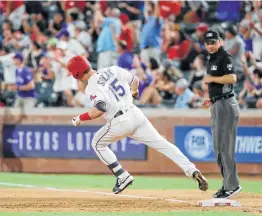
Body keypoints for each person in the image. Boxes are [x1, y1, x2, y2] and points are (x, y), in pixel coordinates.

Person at [66, 55, 208, 194]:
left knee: (97, 143)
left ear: (77, 74)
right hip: (135, 113)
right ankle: (192, 170)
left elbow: (98, 110)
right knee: (163, 144)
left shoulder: (91, 87)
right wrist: (134, 92)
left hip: (119, 121)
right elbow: (135, 80)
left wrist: (79, 118)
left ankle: (122, 176)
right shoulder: (112, 69)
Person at [202, 30, 241, 199]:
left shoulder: (225, 56)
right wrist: (208, 97)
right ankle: (227, 184)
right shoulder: (212, 58)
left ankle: (232, 185)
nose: (210, 46)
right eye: (208, 43)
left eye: (213, 42)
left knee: (225, 146)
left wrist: (212, 80)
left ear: (220, 42)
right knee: (218, 147)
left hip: (226, 104)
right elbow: (210, 81)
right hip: (217, 104)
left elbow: (232, 78)